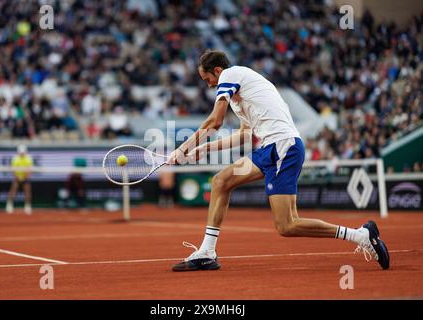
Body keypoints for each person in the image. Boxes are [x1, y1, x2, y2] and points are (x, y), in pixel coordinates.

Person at [167, 50, 390, 271]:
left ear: (217, 71)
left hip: (285, 147)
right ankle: (207, 252)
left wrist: (183, 148)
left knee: (287, 225)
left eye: (208, 79)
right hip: (268, 150)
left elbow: (215, 121)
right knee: (221, 181)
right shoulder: (239, 96)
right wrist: (205, 148)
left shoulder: (230, 75)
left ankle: (360, 235)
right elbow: (244, 135)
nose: (208, 85)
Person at [6, 144, 33, 214]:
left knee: (27, 191)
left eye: (23, 152)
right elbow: (13, 169)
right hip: (17, 177)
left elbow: (29, 169)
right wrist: (17, 177)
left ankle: (27, 206)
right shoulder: (15, 158)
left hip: (25, 177)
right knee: (13, 190)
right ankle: (9, 205)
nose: (22, 153)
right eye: (21, 152)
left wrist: (26, 176)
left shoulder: (28, 158)